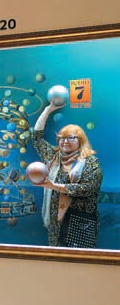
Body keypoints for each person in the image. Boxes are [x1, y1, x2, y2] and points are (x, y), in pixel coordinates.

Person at [31, 103, 102, 248]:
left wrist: (54, 186)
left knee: (78, 260)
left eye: (70, 138)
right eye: (61, 138)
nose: (65, 141)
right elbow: (37, 137)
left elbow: (89, 188)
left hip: (80, 224)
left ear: (80, 140)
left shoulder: (90, 161)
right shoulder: (53, 157)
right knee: (57, 259)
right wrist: (48, 109)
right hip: (55, 224)